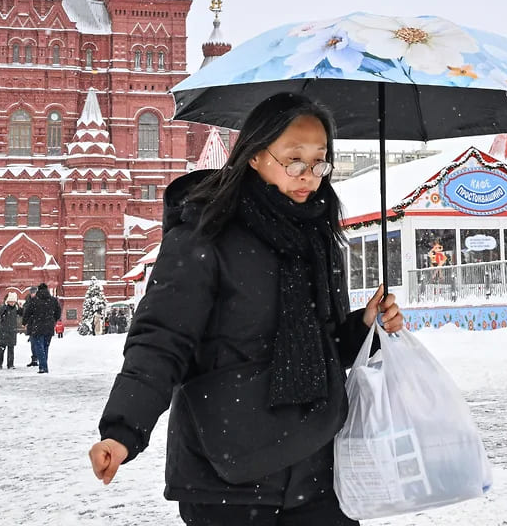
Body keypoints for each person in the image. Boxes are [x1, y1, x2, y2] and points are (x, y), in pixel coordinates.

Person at [89, 93, 403, 524]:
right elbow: (162, 339)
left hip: (318, 470)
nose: (308, 175)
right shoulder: (203, 234)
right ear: (255, 155)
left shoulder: (318, 234)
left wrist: (364, 327)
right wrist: (123, 431)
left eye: (320, 162)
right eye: (294, 159)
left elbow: (323, 345)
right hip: (227, 471)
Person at [23, 283, 61, 374]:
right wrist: (53, 320)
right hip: (49, 327)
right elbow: (58, 312)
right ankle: (43, 366)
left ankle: (43, 367)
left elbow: (27, 312)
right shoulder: (53, 300)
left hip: (37, 327)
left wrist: (24, 322)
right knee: (45, 347)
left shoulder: (34, 300)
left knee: (39, 347)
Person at [0, 292, 21, 370]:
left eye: (13, 301)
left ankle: (10, 364)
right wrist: (4, 306)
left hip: (12, 331)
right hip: (3, 331)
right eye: (10, 301)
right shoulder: (4, 308)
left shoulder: (16, 309)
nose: (12, 303)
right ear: (8, 301)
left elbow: (22, 313)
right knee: (2, 348)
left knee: (11, 349)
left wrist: (20, 307)